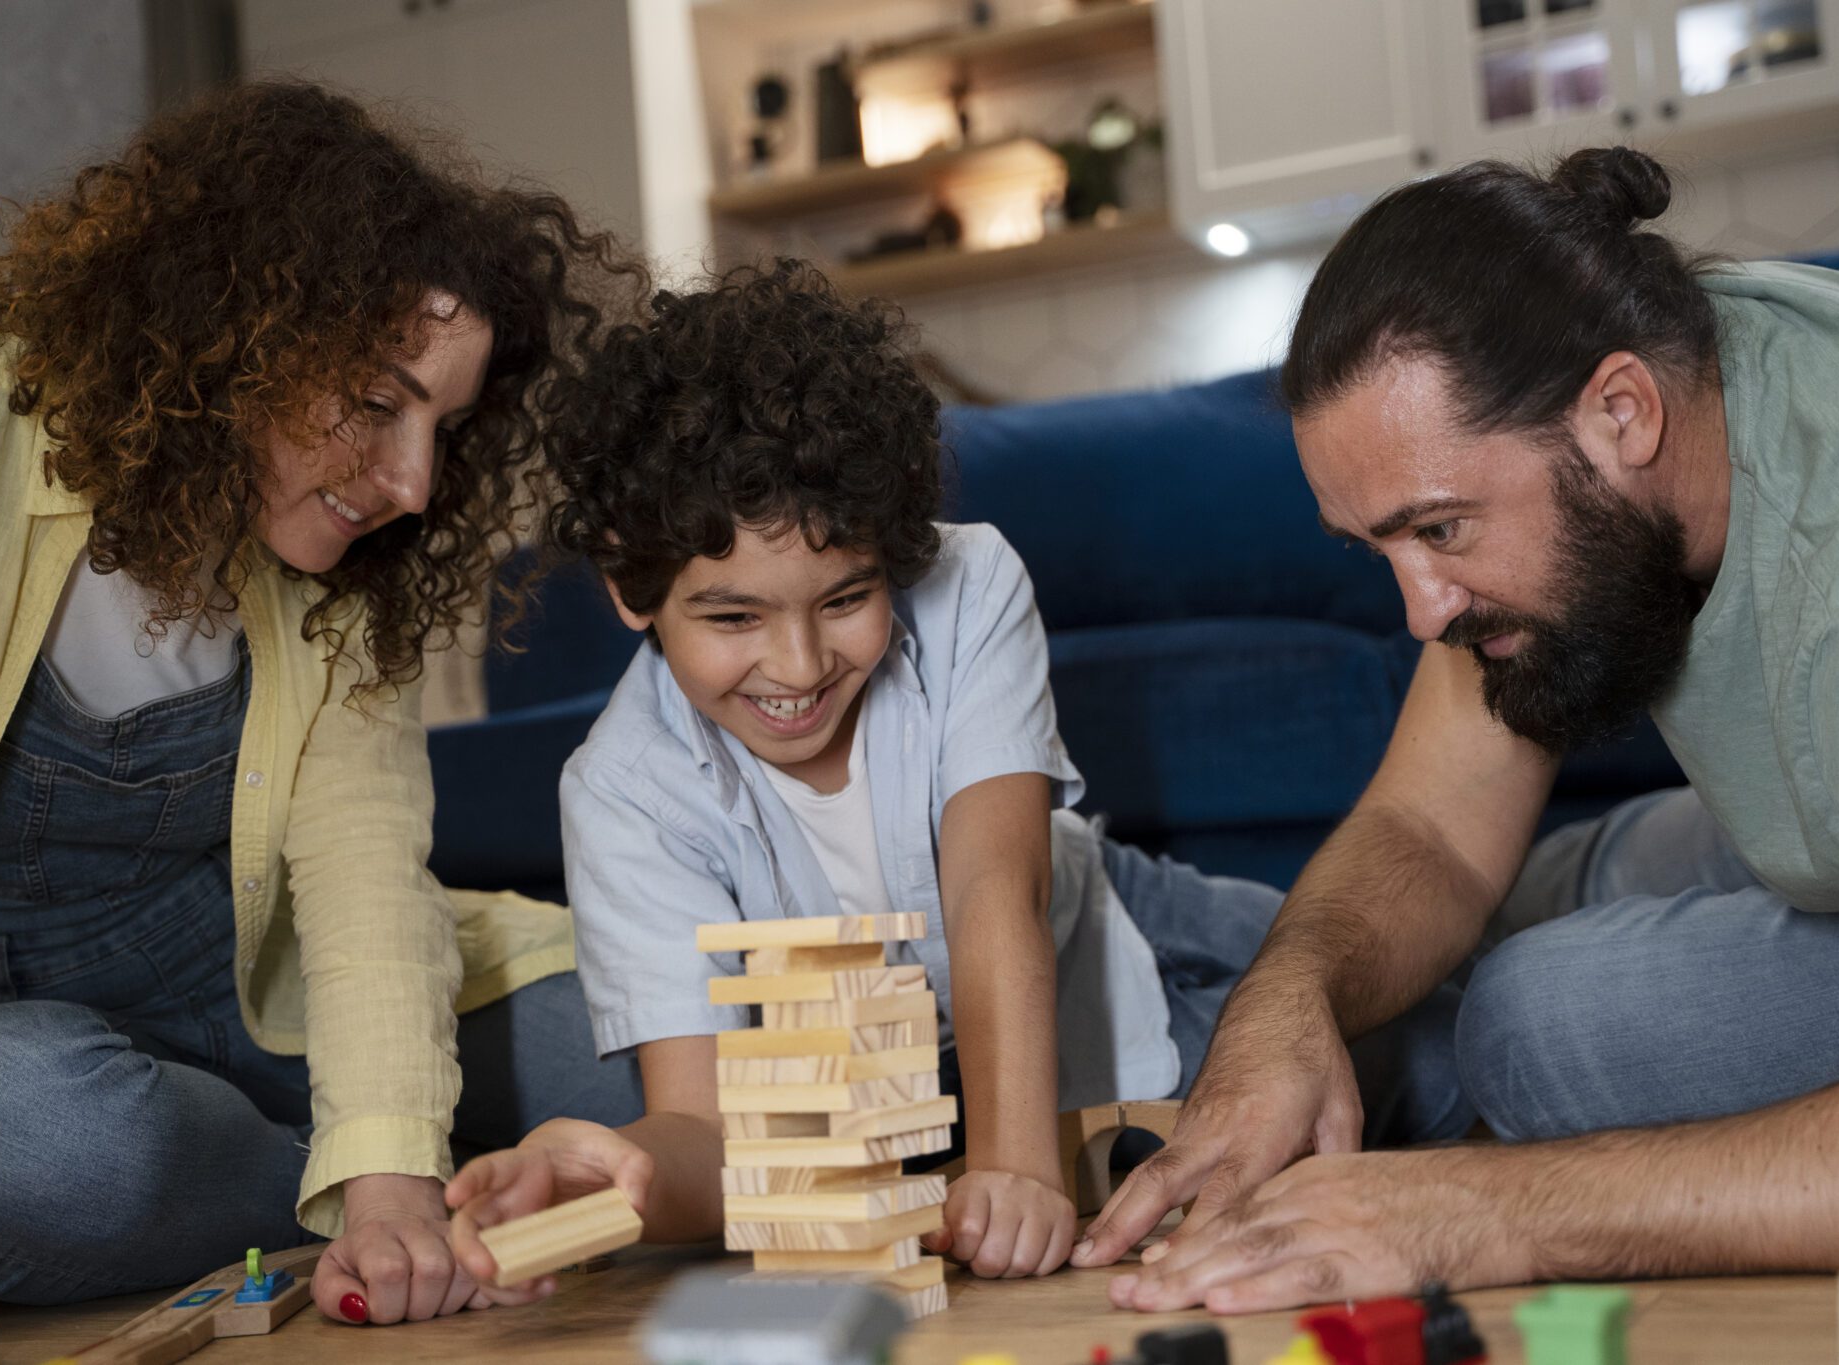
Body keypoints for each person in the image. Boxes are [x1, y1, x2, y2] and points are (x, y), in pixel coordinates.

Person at [439, 261, 1467, 1289]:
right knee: (1321, 1127)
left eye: (845, 598)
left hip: (1110, 935)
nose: (798, 668)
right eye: (733, 617)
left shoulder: (969, 582)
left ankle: (1559, 879)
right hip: (917, 1084)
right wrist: (618, 1181)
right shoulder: (620, 792)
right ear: (629, 584)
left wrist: (1014, 1163)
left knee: (1432, 1035)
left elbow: (991, 891)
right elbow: (708, 1129)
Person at [1070, 146, 1839, 1312]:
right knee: (1530, 888)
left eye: (1441, 530)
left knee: (1540, 1018)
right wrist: (1285, 1005)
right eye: (1379, 549)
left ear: (1620, 413)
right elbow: (1430, 828)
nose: (1419, 612)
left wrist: (1479, 1205)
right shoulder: (1659, 354)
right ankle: (1162, 939)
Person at [0, 81, 643, 1323]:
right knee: (32, 1153)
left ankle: (366, 1176)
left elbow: (360, 873)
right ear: (231, 331)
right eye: (375, 403)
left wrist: (391, 1169)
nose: (412, 484)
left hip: (265, 1001)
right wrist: (368, 1184)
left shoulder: (351, 559)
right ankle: (352, 1185)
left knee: (657, 1076)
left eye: (443, 428)